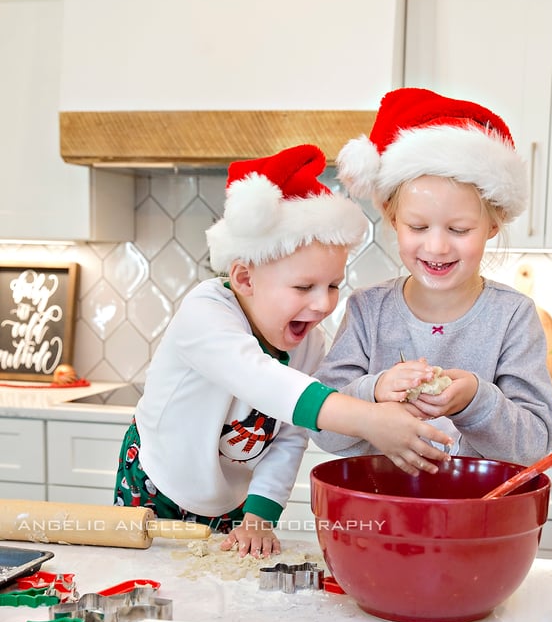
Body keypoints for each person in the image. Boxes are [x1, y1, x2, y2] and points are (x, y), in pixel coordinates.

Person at [114, 144, 451, 558]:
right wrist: (370, 421)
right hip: (155, 487)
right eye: (303, 287)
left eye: (332, 285)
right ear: (244, 277)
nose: (325, 304)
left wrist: (259, 516)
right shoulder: (205, 314)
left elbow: (289, 438)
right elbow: (264, 381)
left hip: (230, 501)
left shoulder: (309, 344)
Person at [311, 87, 552, 465]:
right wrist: (375, 392)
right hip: (381, 512)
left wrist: (477, 400)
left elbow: (533, 445)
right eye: (418, 226)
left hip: (479, 517)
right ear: (393, 219)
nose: (438, 247)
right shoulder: (367, 310)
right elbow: (322, 429)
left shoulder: (512, 317)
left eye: (459, 230)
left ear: (493, 225)